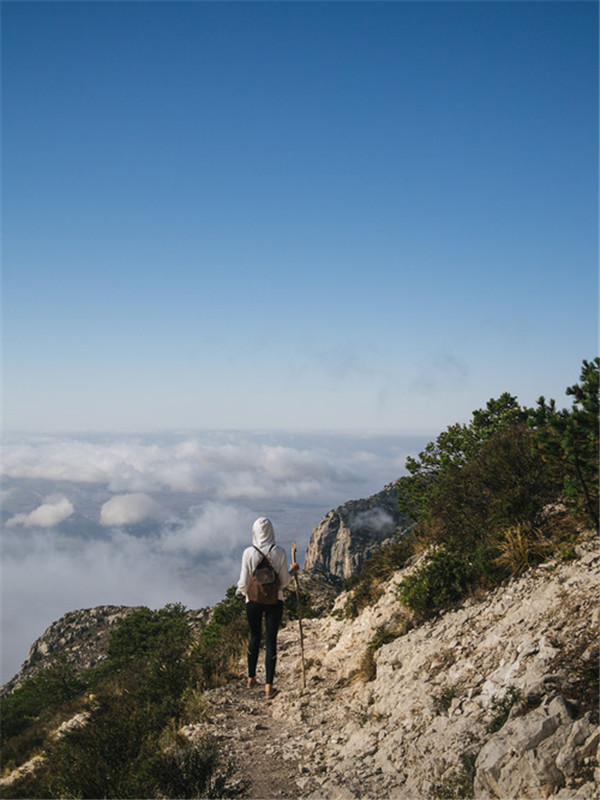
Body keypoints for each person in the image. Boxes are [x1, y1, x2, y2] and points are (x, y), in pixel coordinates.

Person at [236, 517, 299, 699]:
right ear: (271, 531)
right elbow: (284, 582)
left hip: (253, 601)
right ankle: (269, 687)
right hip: (274, 601)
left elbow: (243, 579)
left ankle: (251, 678)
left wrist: (240, 592)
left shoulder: (248, 552)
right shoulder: (279, 552)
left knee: (254, 636)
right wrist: (293, 570)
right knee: (271, 640)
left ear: (255, 532)